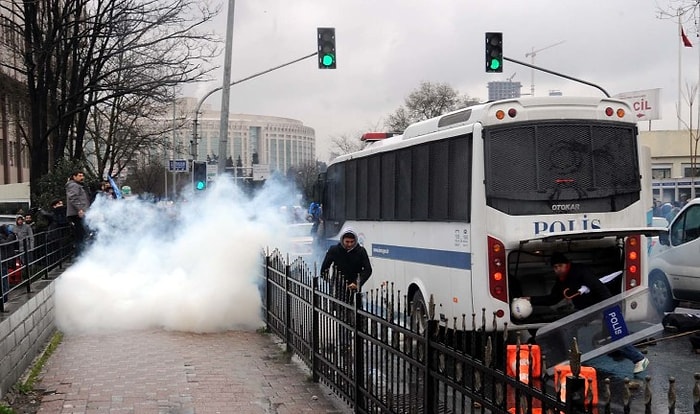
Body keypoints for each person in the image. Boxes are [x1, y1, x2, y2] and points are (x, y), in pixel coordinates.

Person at [527, 252, 649, 374]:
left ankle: (639, 359)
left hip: (606, 304)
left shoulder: (581, 271)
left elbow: (599, 287)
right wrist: (531, 299)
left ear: (566, 264)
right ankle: (574, 361)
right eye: (555, 267)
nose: (557, 269)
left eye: (560, 266)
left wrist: (610, 307)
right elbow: (553, 298)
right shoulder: (562, 281)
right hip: (588, 310)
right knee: (570, 327)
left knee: (615, 335)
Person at [320, 227, 372, 300]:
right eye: (347, 242)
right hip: (337, 287)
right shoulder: (334, 250)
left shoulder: (361, 251)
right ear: (342, 240)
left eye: (352, 242)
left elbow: (368, 270)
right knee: (338, 308)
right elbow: (324, 269)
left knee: (354, 308)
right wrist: (330, 282)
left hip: (354, 287)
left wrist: (357, 283)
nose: (349, 244)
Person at [65, 170, 91, 254]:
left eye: (82, 176)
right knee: (80, 235)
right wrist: (79, 209)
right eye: (79, 176)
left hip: (79, 213)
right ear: (74, 176)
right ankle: (79, 255)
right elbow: (73, 198)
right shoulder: (73, 185)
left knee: (82, 235)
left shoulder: (77, 185)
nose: (82, 178)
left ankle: (81, 254)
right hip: (77, 214)